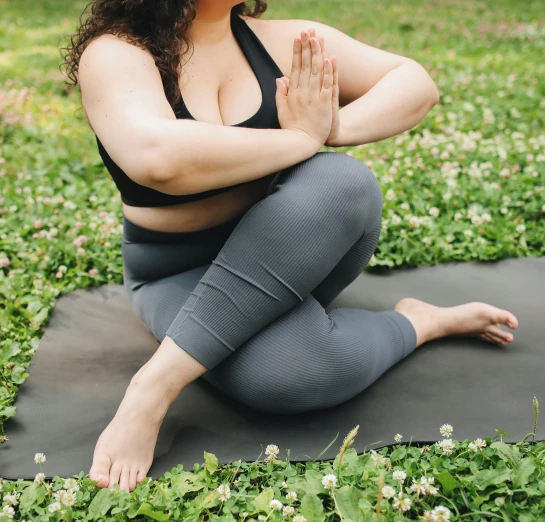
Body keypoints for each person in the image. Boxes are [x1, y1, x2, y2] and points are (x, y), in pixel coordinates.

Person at [63, 0, 519, 492]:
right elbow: (158, 160)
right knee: (292, 376)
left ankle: (151, 389)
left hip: (293, 253)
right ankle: (421, 322)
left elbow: (414, 84)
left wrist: (331, 128)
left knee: (343, 182)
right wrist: (301, 138)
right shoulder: (116, 53)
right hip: (175, 270)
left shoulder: (285, 41)